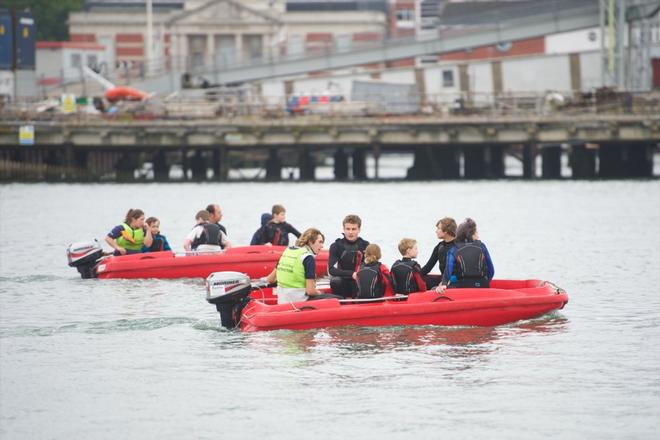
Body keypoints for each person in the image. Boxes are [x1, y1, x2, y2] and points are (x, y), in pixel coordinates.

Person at [264, 228, 337, 304]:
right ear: (310, 242)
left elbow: (270, 279)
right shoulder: (308, 258)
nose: (322, 246)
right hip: (299, 301)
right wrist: (321, 293)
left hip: (282, 300)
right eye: (320, 242)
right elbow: (310, 291)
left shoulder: (287, 251)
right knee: (338, 298)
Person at [437, 218, 494, 291]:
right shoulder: (482, 246)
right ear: (470, 234)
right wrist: (485, 282)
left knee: (434, 289)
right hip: (483, 285)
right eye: (476, 232)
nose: (478, 235)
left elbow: (448, 270)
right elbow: (491, 271)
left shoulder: (453, 249)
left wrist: (444, 284)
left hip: (462, 287)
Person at [328, 214, 369, 299]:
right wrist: (352, 274)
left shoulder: (365, 245)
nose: (350, 232)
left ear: (359, 229)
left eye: (354, 229)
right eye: (348, 229)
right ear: (344, 229)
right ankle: (341, 303)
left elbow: (370, 267)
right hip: (342, 282)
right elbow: (331, 270)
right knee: (335, 281)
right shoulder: (336, 246)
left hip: (358, 282)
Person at [420, 217, 457, 289]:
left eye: (438, 228)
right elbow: (427, 268)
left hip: (456, 281)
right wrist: (412, 275)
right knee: (422, 280)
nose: (436, 231)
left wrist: (447, 281)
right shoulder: (439, 246)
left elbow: (464, 272)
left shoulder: (459, 246)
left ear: (446, 231)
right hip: (444, 280)